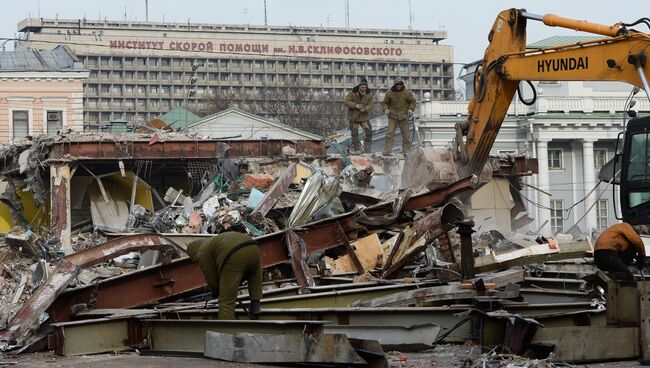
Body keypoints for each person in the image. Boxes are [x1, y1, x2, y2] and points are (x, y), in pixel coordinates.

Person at [186, 232, 263, 320]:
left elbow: (211, 276)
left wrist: (216, 290)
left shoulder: (202, 252)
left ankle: (226, 331)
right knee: (254, 275)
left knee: (226, 301)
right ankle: (255, 306)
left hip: (235, 252)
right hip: (253, 247)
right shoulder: (211, 243)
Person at [381, 78, 416, 155]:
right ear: (395, 85)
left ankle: (407, 150)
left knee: (406, 135)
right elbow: (384, 103)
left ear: (402, 85)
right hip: (392, 116)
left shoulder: (407, 93)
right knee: (389, 134)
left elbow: (413, 102)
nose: (399, 86)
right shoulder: (389, 93)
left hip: (404, 116)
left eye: (400, 84)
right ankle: (387, 150)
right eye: (397, 84)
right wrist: (385, 109)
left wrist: (411, 109)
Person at [344, 78, 374, 153]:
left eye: (365, 87)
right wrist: (356, 105)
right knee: (354, 133)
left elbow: (372, 104)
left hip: (364, 117)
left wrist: (366, 108)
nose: (364, 88)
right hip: (354, 117)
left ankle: (367, 149)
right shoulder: (352, 93)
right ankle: (356, 149)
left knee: (369, 132)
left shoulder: (369, 94)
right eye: (362, 87)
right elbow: (347, 102)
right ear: (359, 86)